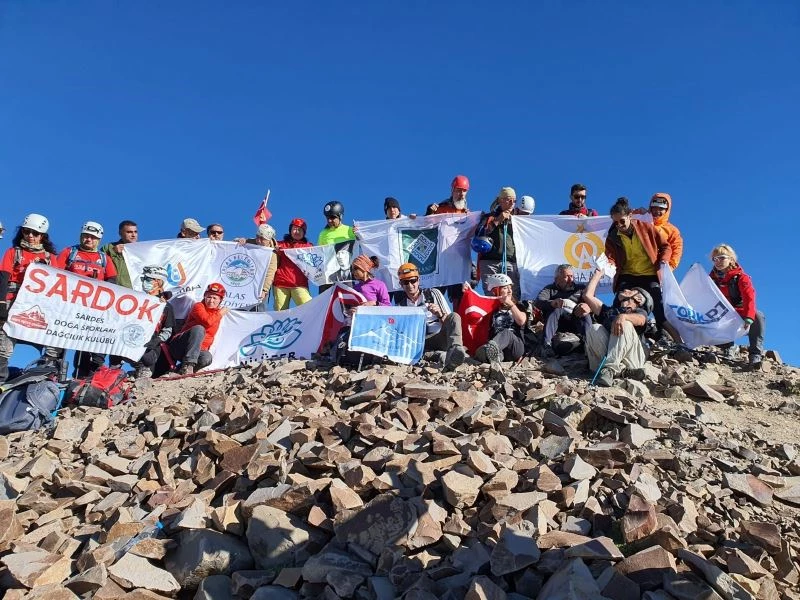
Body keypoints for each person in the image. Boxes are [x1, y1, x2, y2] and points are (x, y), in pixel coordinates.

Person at [0, 214, 63, 383]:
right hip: (13, 299)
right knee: (4, 340)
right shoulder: (13, 252)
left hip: (39, 304)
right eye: (26, 231)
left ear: (42, 236)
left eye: (35, 233)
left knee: (52, 338)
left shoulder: (50, 258)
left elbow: (57, 284)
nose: (30, 236)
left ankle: (45, 377)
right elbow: (3, 277)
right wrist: (1, 303)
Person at [604, 197, 671, 343]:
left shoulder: (646, 228)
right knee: (619, 303)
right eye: (615, 222)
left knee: (658, 305)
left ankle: (664, 336)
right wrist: (609, 263)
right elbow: (610, 255)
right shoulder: (612, 237)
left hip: (649, 274)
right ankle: (613, 334)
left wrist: (664, 260)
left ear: (630, 216)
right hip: (627, 274)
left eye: (622, 221)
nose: (619, 225)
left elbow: (665, 246)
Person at [59, 221, 118, 377]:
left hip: (92, 308)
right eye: (85, 236)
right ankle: (54, 372)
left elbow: (113, 282)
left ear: (99, 240)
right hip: (68, 304)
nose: (88, 240)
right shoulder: (69, 252)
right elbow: (54, 273)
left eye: (92, 237)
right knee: (59, 337)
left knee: (86, 340)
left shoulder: (104, 259)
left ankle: (83, 376)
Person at [579, 268, 652, 387]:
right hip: (609, 364)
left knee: (625, 323)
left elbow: (641, 320)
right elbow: (587, 295)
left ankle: (610, 369)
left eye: (631, 290)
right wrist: (598, 274)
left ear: (639, 299)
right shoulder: (610, 311)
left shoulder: (639, 311)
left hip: (632, 361)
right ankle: (620, 372)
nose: (626, 289)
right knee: (594, 328)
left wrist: (623, 317)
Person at [393, 263, 467, 370]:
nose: (410, 285)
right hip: (417, 344)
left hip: (438, 337)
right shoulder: (400, 306)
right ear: (401, 284)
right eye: (405, 282)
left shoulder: (432, 294)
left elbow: (449, 322)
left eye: (413, 281)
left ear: (418, 280)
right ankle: (443, 357)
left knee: (454, 316)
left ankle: (455, 351)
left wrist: (440, 314)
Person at [709, 244, 766, 367]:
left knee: (758, 316)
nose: (718, 261)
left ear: (731, 259)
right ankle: (727, 348)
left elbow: (749, 297)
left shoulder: (741, 277)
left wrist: (749, 317)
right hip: (721, 314)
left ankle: (755, 354)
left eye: (722, 257)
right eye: (715, 259)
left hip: (739, 312)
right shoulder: (710, 280)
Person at [426, 175, 473, 308]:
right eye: (458, 190)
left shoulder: (468, 213)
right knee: (435, 295)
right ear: (452, 190)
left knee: (459, 298)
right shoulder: (440, 208)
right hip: (440, 260)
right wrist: (428, 213)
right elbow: (425, 226)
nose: (461, 194)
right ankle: (434, 326)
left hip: (459, 262)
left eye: (464, 191)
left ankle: (457, 326)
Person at [165, 282, 229, 375]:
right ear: (204, 297)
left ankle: (180, 370)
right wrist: (220, 313)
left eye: (214, 298)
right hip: (179, 346)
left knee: (207, 358)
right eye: (209, 297)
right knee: (199, 328)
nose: (211, 300)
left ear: (220, 300)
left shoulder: (218, 314)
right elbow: (207, 321)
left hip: (198, 350)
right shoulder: (198, 306)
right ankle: (188, 365)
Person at [128, 265, 175, 382]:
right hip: (131, 339)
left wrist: (156, 341)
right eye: (143, 279)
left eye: (148, 279)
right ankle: (116, 368)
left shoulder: (166, 306)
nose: (144, 282)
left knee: (148, 355)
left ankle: (144, 368)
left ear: (159, 282)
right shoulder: (136, 301)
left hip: (151, 348)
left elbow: (168, 330)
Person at [474, 187, 522, 299]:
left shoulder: (518, 220)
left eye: (514, 201)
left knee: (513, 296)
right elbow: (479, 233)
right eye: (508, 199)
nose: (512, 203)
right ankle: (493, 316)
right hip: (490, 262)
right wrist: (497, 220)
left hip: (511, 263)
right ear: (500, 200)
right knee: (492, 296)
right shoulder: (489, 217)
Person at [535, 264, 592, 357]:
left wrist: (586, 306)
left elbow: (592, 304)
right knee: (556, 310)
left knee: (584, 311)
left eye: (572, 276)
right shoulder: (549, 289)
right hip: (558, 324)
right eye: (566, 277)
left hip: (575, 321)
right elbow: (538, 302)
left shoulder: (580, 289)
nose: (570, 280)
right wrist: (552, 303)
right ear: (557, 279)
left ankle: (590, 344)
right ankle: (546, 346)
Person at [471, 273, 527, 368]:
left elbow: (521, 321)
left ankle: (487, 351)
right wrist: (467, 294)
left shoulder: (520, 306)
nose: (510, 291)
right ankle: (492, 357)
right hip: (499, 348)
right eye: (505, 288)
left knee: (506, 333)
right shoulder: (491, 310)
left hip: (515, 347)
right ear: (496, 290)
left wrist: (511, 304)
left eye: (510, 288)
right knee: (494, 353)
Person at [633, 193, 683, 269]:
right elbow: (623, 220)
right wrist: (637, 213)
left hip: (655, 269)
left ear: (667, 210)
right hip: (633, 265)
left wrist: (669, 267)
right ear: (650, 207)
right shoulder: (640, 220)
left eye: (661, 208)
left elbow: (676, 249)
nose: (657, 211)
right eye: (654, 208)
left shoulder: (672, 231)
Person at [234, 224, 279, 310]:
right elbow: (234, 243)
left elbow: (270, 272)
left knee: (259, 309)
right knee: (240, 307)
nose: (258, 240)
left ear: (268, 240)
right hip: (246, 281)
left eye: (262, 239)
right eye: (257, 236)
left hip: (261, 284)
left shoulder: (272, 253)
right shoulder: (252, 242)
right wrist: (240, 240)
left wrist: (265, 290)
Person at [274, 218, 313, 309]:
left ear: (304, 232)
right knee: (280, 313)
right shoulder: (280, 244)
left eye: (300, 229)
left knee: (309, 308)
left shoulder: (309, 246)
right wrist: (246, 241)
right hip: (281, 283)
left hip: (299, 283)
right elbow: (263, 243)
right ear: (290, 230)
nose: (297, 231)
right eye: (294, 229)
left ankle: (309, 323)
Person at [102, 220, 138, 289]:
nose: (133, 235)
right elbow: (98, 264)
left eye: (135, 232)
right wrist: (113, 252)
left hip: (133, 292)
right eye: (129, 232)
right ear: (120, 233)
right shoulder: (109, 248)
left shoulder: (142, 251)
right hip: (112, 289)